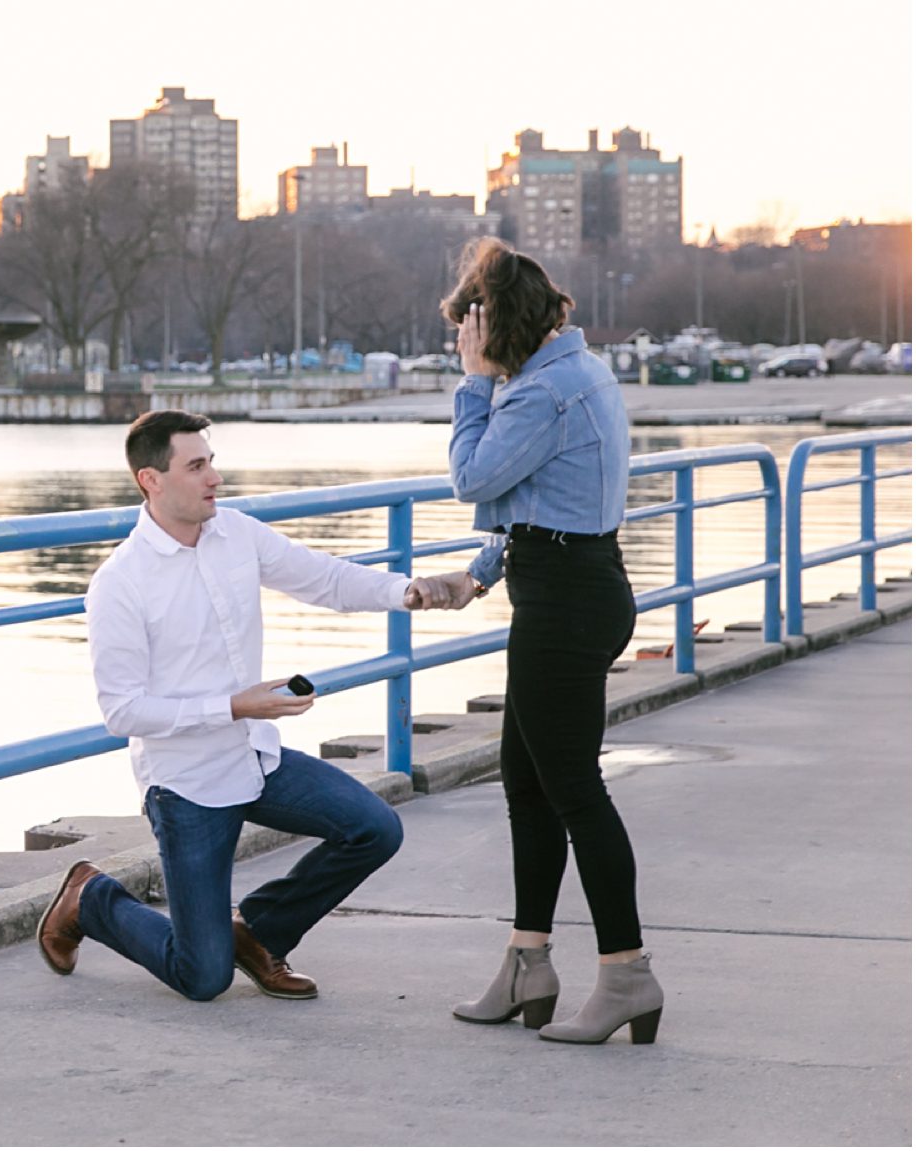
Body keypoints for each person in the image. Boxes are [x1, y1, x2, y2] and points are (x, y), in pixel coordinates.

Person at [36, 409, 461, 1002]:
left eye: (211, 462)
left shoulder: (235, 532)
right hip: (186, 784)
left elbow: (325, 578)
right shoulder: (120, 582)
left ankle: (258, 933)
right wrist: (234, 706)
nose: (215, 477)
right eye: (196, 466)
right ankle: (91, 898)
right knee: (202, 978)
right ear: (150, 480)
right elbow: (122, 712)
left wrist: (406, 591)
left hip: (256, 758)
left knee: (374, 829)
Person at [421, 237, 662, 1046]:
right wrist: (481, 572)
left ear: (496, 327)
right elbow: (541, 503)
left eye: (470, 330)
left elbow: (474, 478)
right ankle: (529, 962)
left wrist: (472, 383)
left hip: (564, 604)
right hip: (574, 584)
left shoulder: (537, 392)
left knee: (575, 792)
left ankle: (626, 974)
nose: (465, 343)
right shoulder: (575, 372)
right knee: (529, 785)